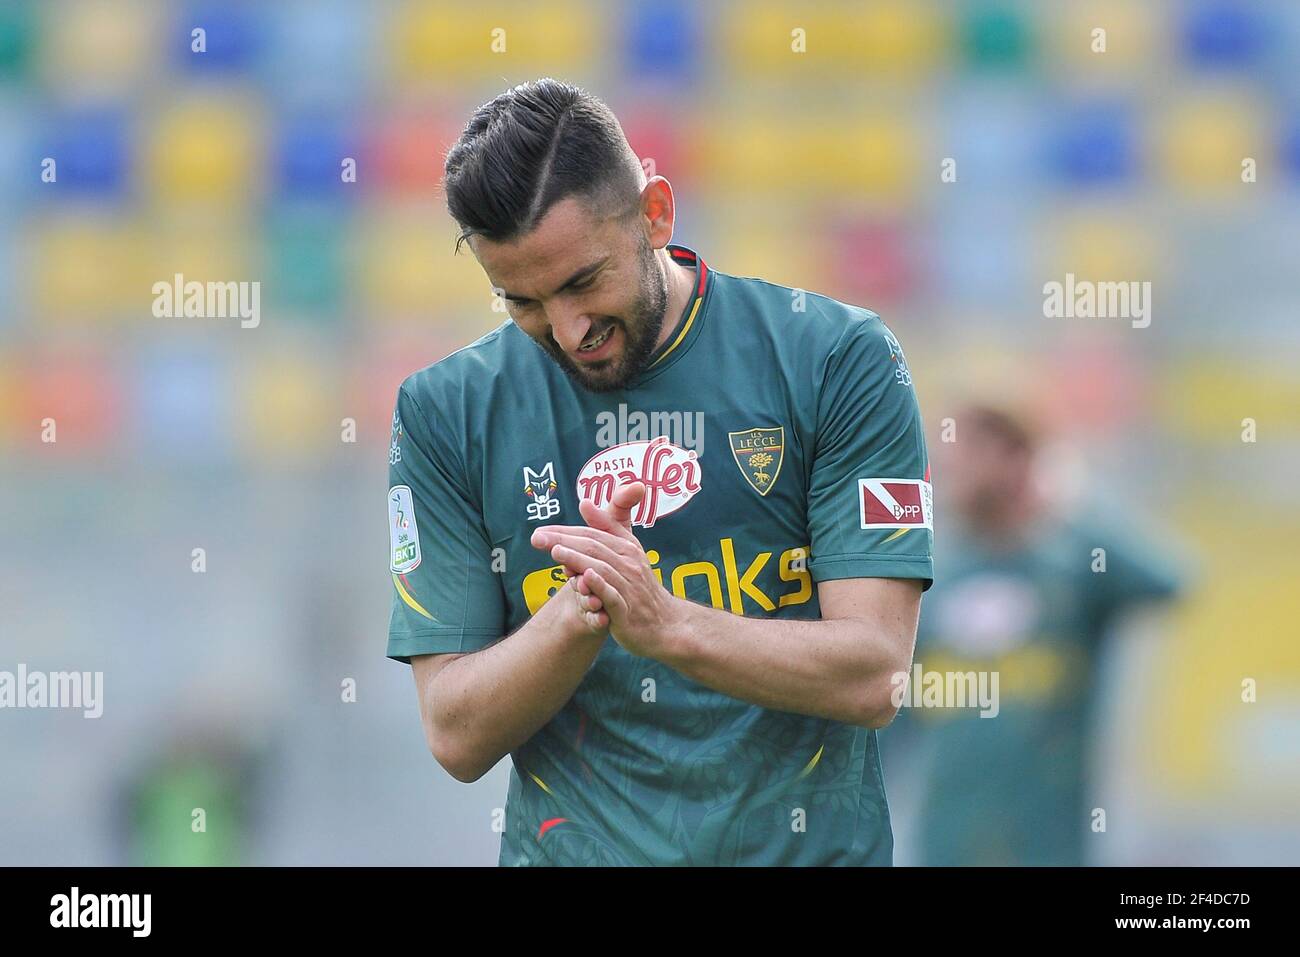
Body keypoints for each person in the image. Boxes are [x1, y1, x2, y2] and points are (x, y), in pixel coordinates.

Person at [385, 78, 933, 865]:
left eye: (583, 282)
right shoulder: (446, 412)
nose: (570, 331)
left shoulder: (835, 359)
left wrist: (668, 623)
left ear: (656, 214)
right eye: (523, 302)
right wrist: (580, 612)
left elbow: (875, 673)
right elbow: (455, 731)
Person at [883, 398, 1184, 866]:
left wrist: (1074, 503)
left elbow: (1170, 582)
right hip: (946, 844)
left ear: (1016, 458)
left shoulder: (1076, 564)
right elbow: (893, 720)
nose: (947, 467)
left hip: (1051, 847)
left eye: (965, 450)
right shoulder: (933, 576)